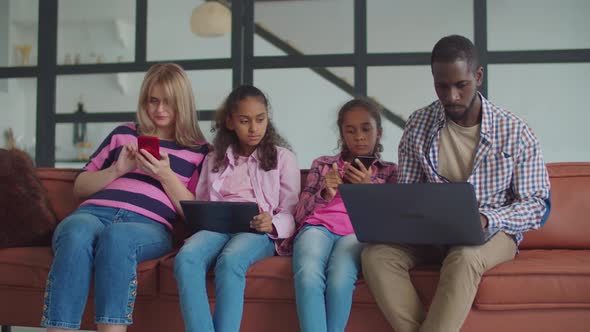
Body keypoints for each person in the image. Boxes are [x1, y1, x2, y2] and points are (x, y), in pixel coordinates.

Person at [361, 35, 551, 332]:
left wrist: (488, 218)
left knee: (464, 257)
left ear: (478, 77)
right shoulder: (418, 124)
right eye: (442, 86)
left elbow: (537, 205)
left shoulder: (515, 131)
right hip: (432, 232)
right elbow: (409, 192)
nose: (451, 96)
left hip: (492, 232)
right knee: (375, 255)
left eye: (461, 85)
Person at [41, 63, 209, 332]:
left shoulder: (199, 151)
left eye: (168, 102)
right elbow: (80, 187)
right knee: (75, 231)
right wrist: (117, 170)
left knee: (118, 238)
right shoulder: (123, 133)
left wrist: (165, 175)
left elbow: (194, 213)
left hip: (146, 225)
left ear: (183, 103)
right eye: (153, 101)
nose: (159, 109)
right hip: (94, 213)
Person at [174, 85, 300, 332]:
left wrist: (272, 223)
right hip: (216, 226)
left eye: (260, 119)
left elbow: (292, 210)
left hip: (256, 230)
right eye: (244, 121)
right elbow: (202, 201)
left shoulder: (283, 158)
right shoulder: (214, 159)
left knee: (230, 260)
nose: (254, 128)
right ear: (230, 122)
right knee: (186, 258)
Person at [292, 99, 397, 332]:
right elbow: (299, 215)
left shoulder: (389, 171)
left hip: (356, 233)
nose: (359, 136)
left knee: (340, 280)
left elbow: (390, 221)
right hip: (317, 228)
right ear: (342, 134)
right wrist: (325, 192)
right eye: (350, 130)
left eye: (365, 129)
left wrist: (368, 188)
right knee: (308, 273)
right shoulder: (322, 165)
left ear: (378, 133)